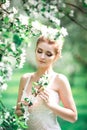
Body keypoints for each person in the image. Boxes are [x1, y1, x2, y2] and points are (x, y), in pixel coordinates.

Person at [16, 36, 77, 130]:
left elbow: (73, 117)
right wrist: (22, 107)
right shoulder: (25, 78)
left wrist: (51, 105)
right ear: (35, 50)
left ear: (56, 56)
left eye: (48, 54)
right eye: (39, 51)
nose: (42, 57)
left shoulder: (60, 80)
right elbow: (18, 113)